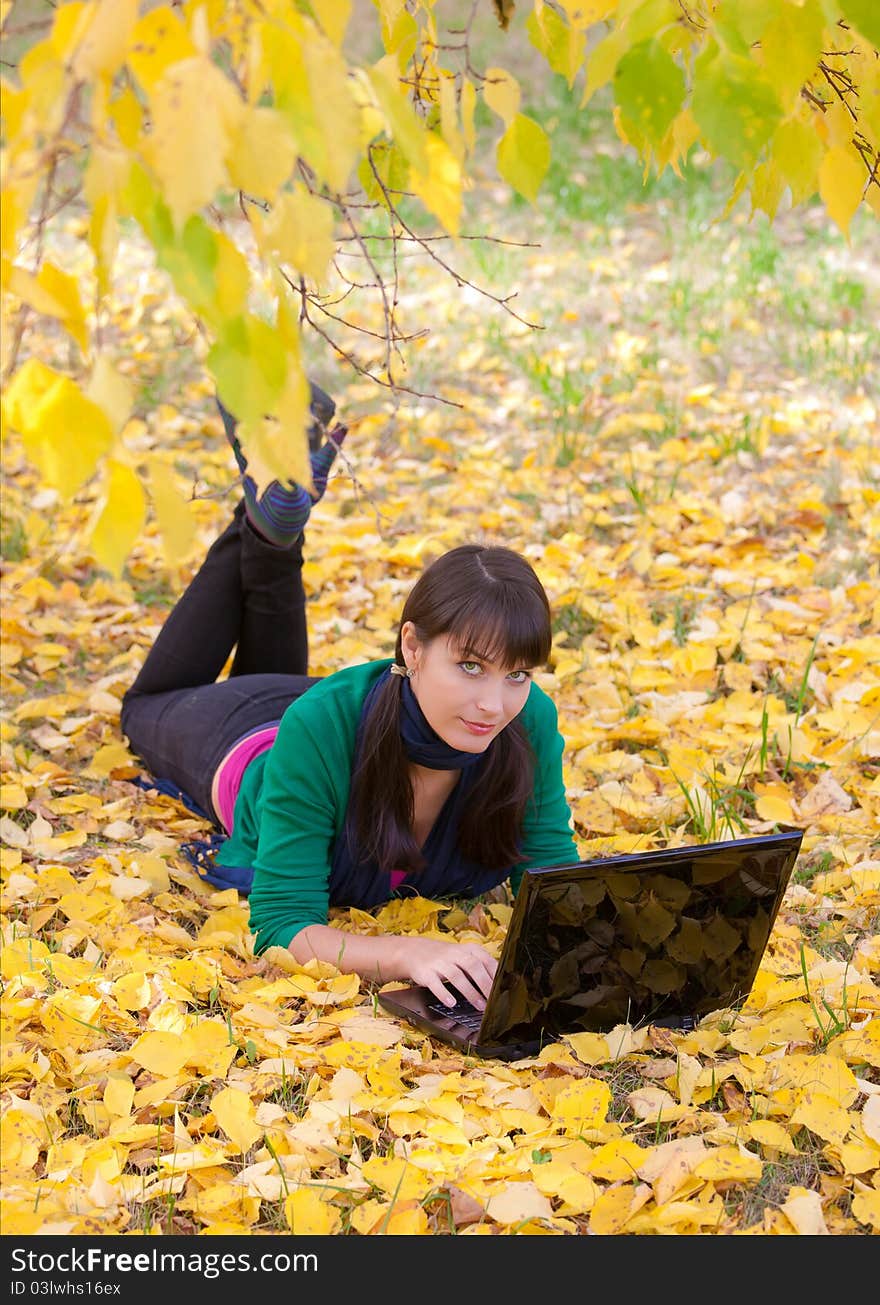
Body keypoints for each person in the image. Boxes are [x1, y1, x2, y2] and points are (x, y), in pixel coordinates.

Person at [121, 381, 578, 1012]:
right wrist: (404, 952)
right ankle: (266, 519)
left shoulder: (528, 723)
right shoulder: (322, 728)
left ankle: (274, 516)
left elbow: (553, 878)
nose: (494, 705)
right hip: (248, 738)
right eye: (470, 666)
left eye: (517, 675)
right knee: (146, 704)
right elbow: (281, 927)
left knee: (287, 673)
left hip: (333, 713)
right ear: (411, 647)